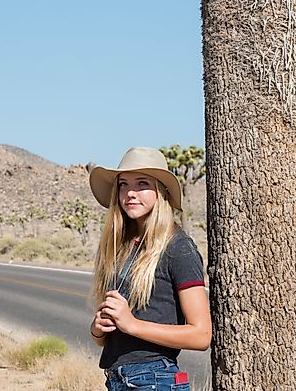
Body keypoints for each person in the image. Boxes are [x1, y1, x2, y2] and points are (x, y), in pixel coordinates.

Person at [88, 146, 211, 391]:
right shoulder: (121, 246)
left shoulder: (178, 248)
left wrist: (131, 324)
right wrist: (98, 328)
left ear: (161, 192)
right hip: (117, 380)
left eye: (142, 183)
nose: (130, 193)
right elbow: (108, 339)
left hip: (154, 380)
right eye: (123, 184)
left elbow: (201, 335)